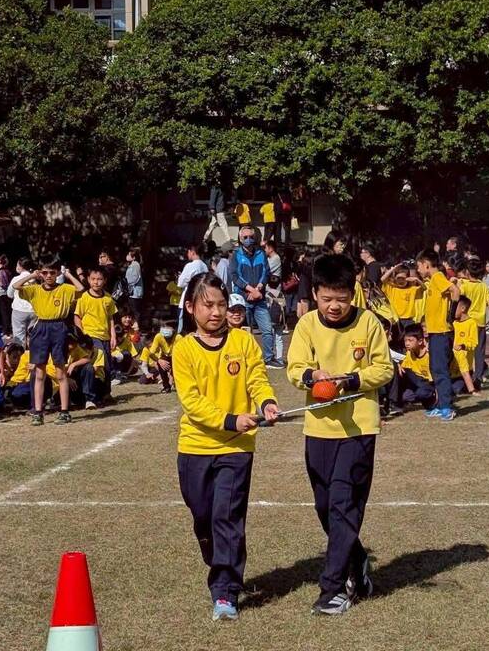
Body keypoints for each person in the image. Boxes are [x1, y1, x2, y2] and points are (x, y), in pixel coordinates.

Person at [287, 254, 393, 615]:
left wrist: (351, 380)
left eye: (342, 298)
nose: (334, 306)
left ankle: (332, 589)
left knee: (343, 504)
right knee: (325, 506)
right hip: (318, 428)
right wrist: (312, 376)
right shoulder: (306, 325)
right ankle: (357, 560)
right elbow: (295, 367)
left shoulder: (368, 322)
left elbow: (384, 368)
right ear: (315, 293)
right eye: (327, 298)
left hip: (359, 428)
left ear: (353, 294)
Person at [173, 272, 278, 622]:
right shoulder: (183, 349)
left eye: (221, 305)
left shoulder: (244, 341)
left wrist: (266, 403)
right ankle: (220, 559)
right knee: (204, 519)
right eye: (208, 305)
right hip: (195, 447)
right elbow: (192, 402)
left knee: (227, 516)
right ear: (191, 308)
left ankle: (225, 591)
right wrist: (230, 419)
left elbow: (257, 379)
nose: (216, 312)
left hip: (236, 449)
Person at [13, 255, 84, 426]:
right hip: (41, 328)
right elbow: (16, 286)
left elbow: (81, 288)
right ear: (41, 273)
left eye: (52, 272)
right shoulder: (35, 290)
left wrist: (68, 274)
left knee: (60, 372)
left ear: (57, 272)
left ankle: (64, 411)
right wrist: (32, 275)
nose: (49, 276)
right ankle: (38, 411)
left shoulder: (65, 289)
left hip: (59, 327)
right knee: (39, 372)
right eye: (45, 273)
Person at [416, 249, 460, 422]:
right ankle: (441, 404)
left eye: (419, 266)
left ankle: (447, 407)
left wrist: (451, 313)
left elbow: (455, 291)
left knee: (440, 370)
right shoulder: (432, 281)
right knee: (435, 369)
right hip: (435, 333)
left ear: (426, 264)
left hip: (442, 332)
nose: (418, 269)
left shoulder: (437, 277)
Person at [229, 226, 280, 368]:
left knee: (267, 329)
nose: (248, 239)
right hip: (243, 299)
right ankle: (244, 358)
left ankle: (268, 358)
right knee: (244, 331)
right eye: (245, 237)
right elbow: (235, 276)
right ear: (240, 239)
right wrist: (250, 290)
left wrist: (258, 289)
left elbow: (266, 272)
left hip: (260, 298)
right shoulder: (236, 255)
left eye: (251, 237)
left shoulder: (261, 253)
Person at [74, 268, 117, 392]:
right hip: (91, 336)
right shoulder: (84, 297)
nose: (96, 282)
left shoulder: (108, 298)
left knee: (108, 366)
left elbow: (110, 318)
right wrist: (82, 335)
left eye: (99, 279)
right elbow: (77, 317)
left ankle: (106, 393)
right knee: (99, 364)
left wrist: (113, 336)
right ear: (88, 279)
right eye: (93, 279)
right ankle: (92, 394)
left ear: (105, 280)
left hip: (105, 337)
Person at [455, 258, 489, 386]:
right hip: (480, 321)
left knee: (465, 349)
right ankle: (478, 377)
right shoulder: (483, 286)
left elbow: (457, 298)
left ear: (467, 272)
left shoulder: (464, 285)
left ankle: (466, 375)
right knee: (479, 350)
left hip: (468, 322)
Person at [399, 323, 436, 410]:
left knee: (421, 393)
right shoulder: (409, 353)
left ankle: (433, 398)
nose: (407, 343)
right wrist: (399, 365)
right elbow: (404, 367)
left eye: (410, 340)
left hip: (429, 382)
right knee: (406, 397)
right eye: (405, 341)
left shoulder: (429, 354)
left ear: (420, 341)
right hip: (417, 382)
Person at [381, 263, 424, 329]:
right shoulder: (391, 289)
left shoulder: (412, 289)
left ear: (408, 278)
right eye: (399, 278)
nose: (401, 281)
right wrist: (392, 269)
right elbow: (382, 280)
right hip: (396, 320)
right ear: (395, 278)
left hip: (409, 320)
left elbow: (424, 288)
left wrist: (417, 279)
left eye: (403, 278)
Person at [177, 244, 208, 332]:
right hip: (200, 297)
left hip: (188, 297)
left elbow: (180, 283)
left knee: (183, 326)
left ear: (192, 252)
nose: (188, 254)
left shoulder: (190, 266)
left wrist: (181, 277)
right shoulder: (204, 266)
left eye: (188, 252)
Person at [451, 295, 478, 395]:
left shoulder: (471, 323)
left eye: (454, 307)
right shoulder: (453, 323)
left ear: (463, 308)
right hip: (452, 367)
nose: (452, 310)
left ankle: (472, 383)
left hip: (464, 369)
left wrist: (463, 346)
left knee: (456, 390)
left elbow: (473, 343)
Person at [7, 257, 37, 346]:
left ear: (20, 266)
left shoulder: (16, 279)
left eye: (17, 264)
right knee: (32, 335)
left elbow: (9, 294)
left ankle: (20, 354)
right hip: (33, 310)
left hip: (19, 310)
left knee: (19, 337)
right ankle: (33, 353)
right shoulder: (35, 279)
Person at [148, 321, 180, 393]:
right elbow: (151, 353)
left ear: (174, 329)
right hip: (165, 356)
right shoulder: (158, 336)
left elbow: (183, 354)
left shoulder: (178, 337)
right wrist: (159, 361)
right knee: (161, 364)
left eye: (168, 327)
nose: (166, 329)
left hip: (177, 357)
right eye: (164, 327)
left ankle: (177, 384)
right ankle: (166, 387)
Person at [266, 274, 286, 365]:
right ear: (278, 284)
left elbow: (267, 306)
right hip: (281, 320)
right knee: (279, 338)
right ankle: (279, 357)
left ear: (268, 284)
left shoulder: (267, 294)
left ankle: (271, 357)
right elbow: (284, 306)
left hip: (270, 319)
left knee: (270, 337)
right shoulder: (281, 294)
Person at [0, 254, 13, 338]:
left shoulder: (1, 271)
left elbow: (4, 284)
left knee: (5, 313)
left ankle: (7, 332)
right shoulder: (6, 270)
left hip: (4, 294)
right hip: (7, 294)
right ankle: (7, 331)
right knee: (7, 312)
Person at [125, 248, 144, 327]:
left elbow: (135, 278)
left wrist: (126, 283)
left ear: (134, 257)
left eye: (129, 255)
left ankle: (136, 326)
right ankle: (133, 326)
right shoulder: (132, 264)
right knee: (133, 310)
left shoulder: (135, 265)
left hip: (135, 292)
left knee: (135, 311)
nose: (127, 256)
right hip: (132, 292)